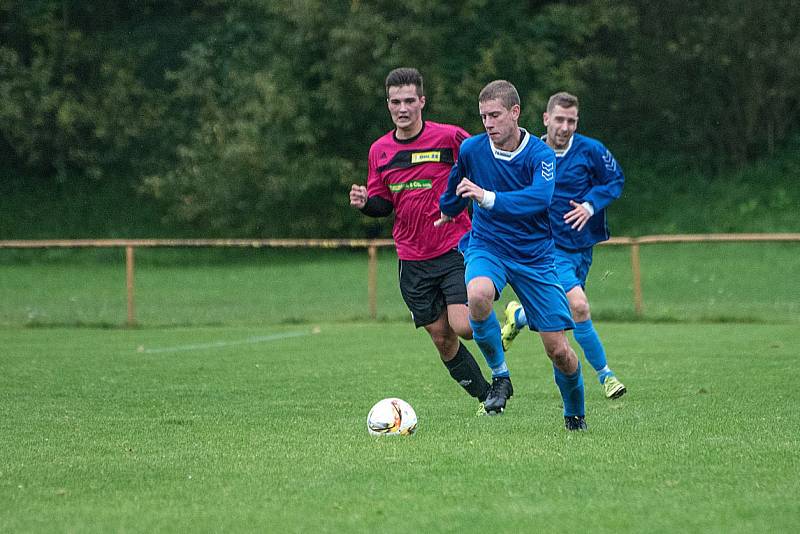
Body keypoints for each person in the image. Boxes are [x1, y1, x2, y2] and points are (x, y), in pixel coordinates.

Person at [436, 80, 587, 430]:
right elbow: (458, 184)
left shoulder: (540, 154)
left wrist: (487, 197)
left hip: (535, 257)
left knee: (559, 352)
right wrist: (448, 207)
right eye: (483, 116)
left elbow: (539, 199)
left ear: (515, 113)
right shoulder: (473, 149)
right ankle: (500, 377)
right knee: (477, 295)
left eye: (495, 115)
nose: (488, 123)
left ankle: (575, 414)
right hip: (488, 245)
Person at [349, 67, 492, 411]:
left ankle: (503, 328)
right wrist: (366, 203)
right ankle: (488, 398)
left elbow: (485, 166)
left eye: (409, 100)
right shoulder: (379, 151)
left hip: (455, 245)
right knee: (442, 338)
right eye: (396, 101)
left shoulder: (449, 138)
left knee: (464, 326)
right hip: (412, 259)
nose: (403, 108)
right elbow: (384, 203)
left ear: (422, 101)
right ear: (388, 105)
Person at [501, 92, 627, 399]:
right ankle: (606, 376)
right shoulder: (529, 153)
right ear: (546, 119)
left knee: (564, 313)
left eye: (571, 120)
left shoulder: (591, 150)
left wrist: (590, 206)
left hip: (581, 249)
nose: (565, 126)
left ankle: (519, 316)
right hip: (547, 251)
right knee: (579, 307)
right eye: (559, 119)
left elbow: (615, 180)